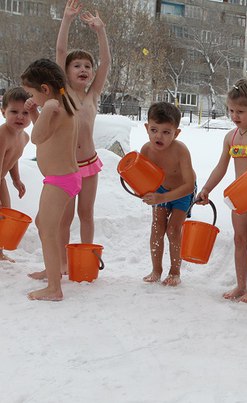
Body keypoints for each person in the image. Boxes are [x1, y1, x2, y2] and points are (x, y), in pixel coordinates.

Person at [196, 79, 247, 303]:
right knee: (240, 240)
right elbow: (221, 167)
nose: (234, 115)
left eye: (240, 111)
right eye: (231, 110)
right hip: (239, 197)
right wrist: (206, 189)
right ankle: (241, 285)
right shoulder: (230, 137)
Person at [52, 0, 110, 278]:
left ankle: (88, 256)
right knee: (65, 217)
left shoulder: (92, 95)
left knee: (86, 214)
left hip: (89, 164)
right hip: (67, 166)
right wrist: (67, 20)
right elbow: (61, 51)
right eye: (77, 65)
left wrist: (101, 31)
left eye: (88, 65)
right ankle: (62, 261)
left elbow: (106, 62)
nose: (84, 69)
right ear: (67, 71)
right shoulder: (63, 92)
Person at [21, 58, 80, 301]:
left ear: (44, 89)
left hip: (60, 180)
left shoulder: (54, 107)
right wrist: (36, 111)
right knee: (44, 223)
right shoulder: (61, 106)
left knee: (47, 229)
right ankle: (52, 269)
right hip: (65, 178)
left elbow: (35, 137)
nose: (31, 98)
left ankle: (54, 288)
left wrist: (42, 110)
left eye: (31, 93)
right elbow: (45, 134)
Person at [140, 102, 196, 287]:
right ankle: (156, 270)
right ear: (147, 128)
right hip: (161, 190)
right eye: (154, 130)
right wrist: (142, 191)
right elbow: (143, 178)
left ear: (176, 133)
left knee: (173, 229)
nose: (159, 136)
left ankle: (175, 271)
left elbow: (188, 185)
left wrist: (163, 198)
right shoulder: (146, 150)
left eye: (166, 132)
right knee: (157, 227)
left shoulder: (181, 151)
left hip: (182, 191)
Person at [0, 88, 31, 263]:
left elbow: (14, 157)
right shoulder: (2, 134)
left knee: (5, 212)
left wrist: (16, 179)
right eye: (14, 112)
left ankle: (0, 252)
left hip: (1, 178)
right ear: (3, 111)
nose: (20, 117)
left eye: (25, 113)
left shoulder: (24, 137)